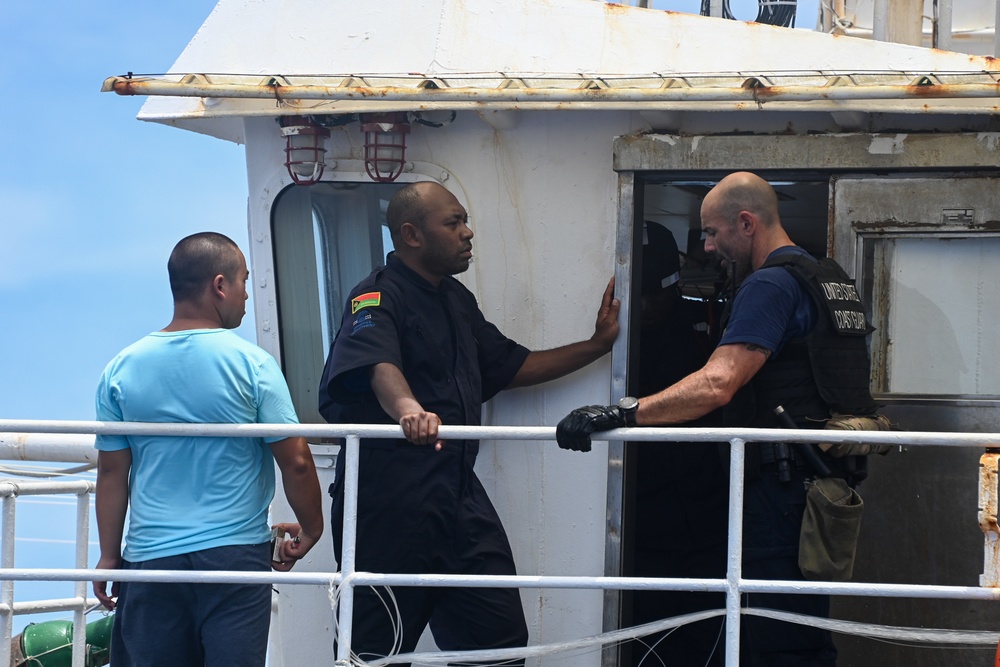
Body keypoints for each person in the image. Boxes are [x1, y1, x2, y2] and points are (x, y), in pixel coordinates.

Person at [557, 172, 878, 666]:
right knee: (799, 630)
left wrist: (620, 412)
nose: (706, 247)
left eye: (711, 233)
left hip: (784, 491)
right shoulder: (826, 278)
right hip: (821, 487)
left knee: (777, 638)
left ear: (745, 223)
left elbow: (718, 382)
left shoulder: (769, 284)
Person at [318, 181, 620, 665]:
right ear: (412, 235)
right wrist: (408, 410)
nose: (468, 232)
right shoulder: (375, 295)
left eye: (465, 221)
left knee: (499, 643)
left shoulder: (455, 299)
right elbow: (377, 365)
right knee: (372, 650)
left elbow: (509, 366)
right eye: (453, 222)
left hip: (457, 493)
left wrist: (597, 345)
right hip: (390, 501)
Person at [92, 232, 324, 667]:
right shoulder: (252, 363)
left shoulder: (120, 369)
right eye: (243, 284)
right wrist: (312, 529)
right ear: (220, 285)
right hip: (233, 559)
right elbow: (295, 461)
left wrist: (109, 554)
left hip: (150, 560)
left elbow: (111, 475)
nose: (245, 298)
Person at [628, 221, 728, 667]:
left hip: (704, 506)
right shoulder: (619, 333)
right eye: (639, 293)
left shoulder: (706, 324)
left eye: (658, 292)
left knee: (707, 631)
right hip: (642, 513)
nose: (647, 305)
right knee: (650, 633)